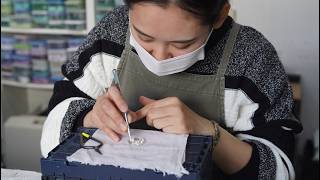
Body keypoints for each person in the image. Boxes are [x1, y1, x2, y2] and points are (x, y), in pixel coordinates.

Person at [41, 0, 303, 179]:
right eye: (143, 37)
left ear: (221, 15)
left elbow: (280, 169)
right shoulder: (112, 31)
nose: (159, 56)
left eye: (182, 44)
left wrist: (208, 133)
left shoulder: (252, 58)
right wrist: (88, 118)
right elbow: (58, 112)